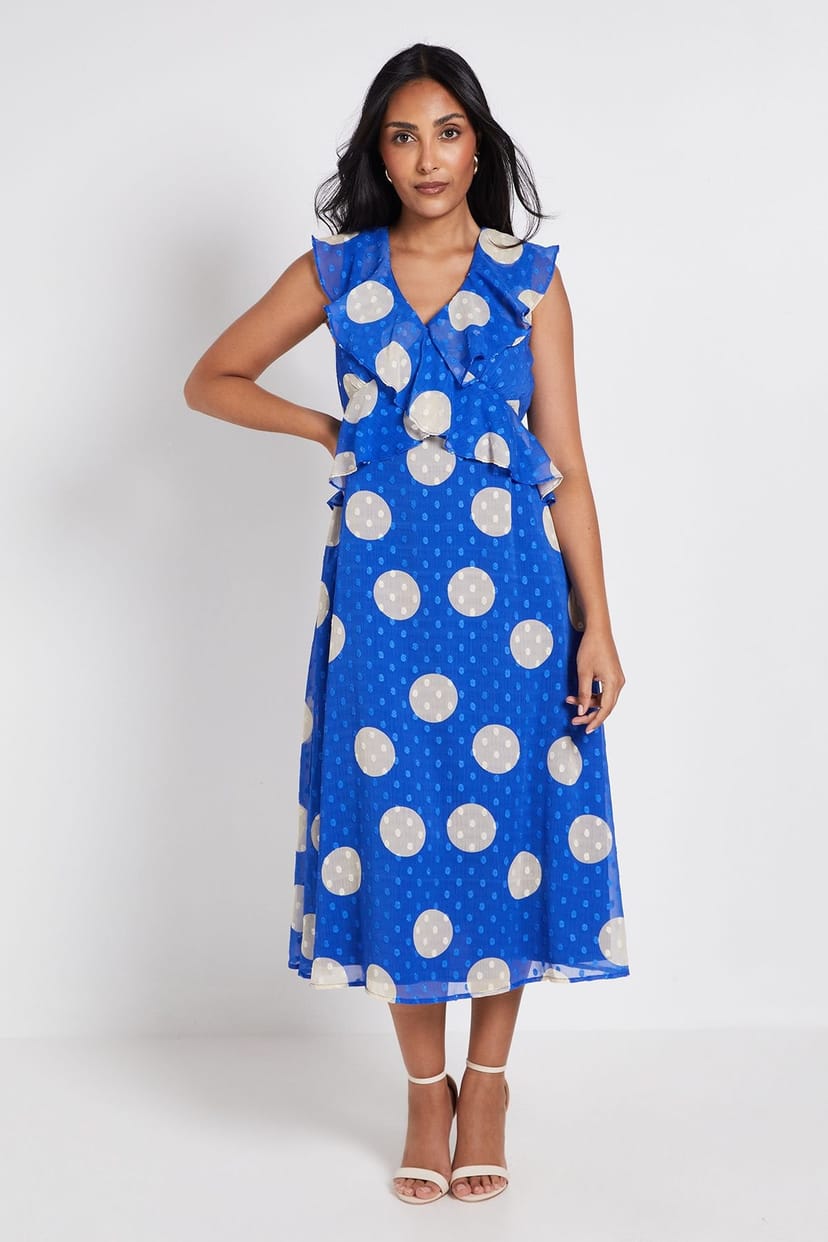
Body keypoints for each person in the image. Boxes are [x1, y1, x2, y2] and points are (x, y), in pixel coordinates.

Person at [184, 42, 630, 1206]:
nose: (426, 157)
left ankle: (489, 1084)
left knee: (510, 827)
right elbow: (212, 378)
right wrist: (328, 432)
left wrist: (598, 624)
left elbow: (570, 467)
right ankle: (424, 1094)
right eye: (402, 135)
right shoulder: (338, 271)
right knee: (403, 835)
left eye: (446, 131)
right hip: (381, 613)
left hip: (517, 612)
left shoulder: (530, 280)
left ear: (479, 147)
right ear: (378, 156)